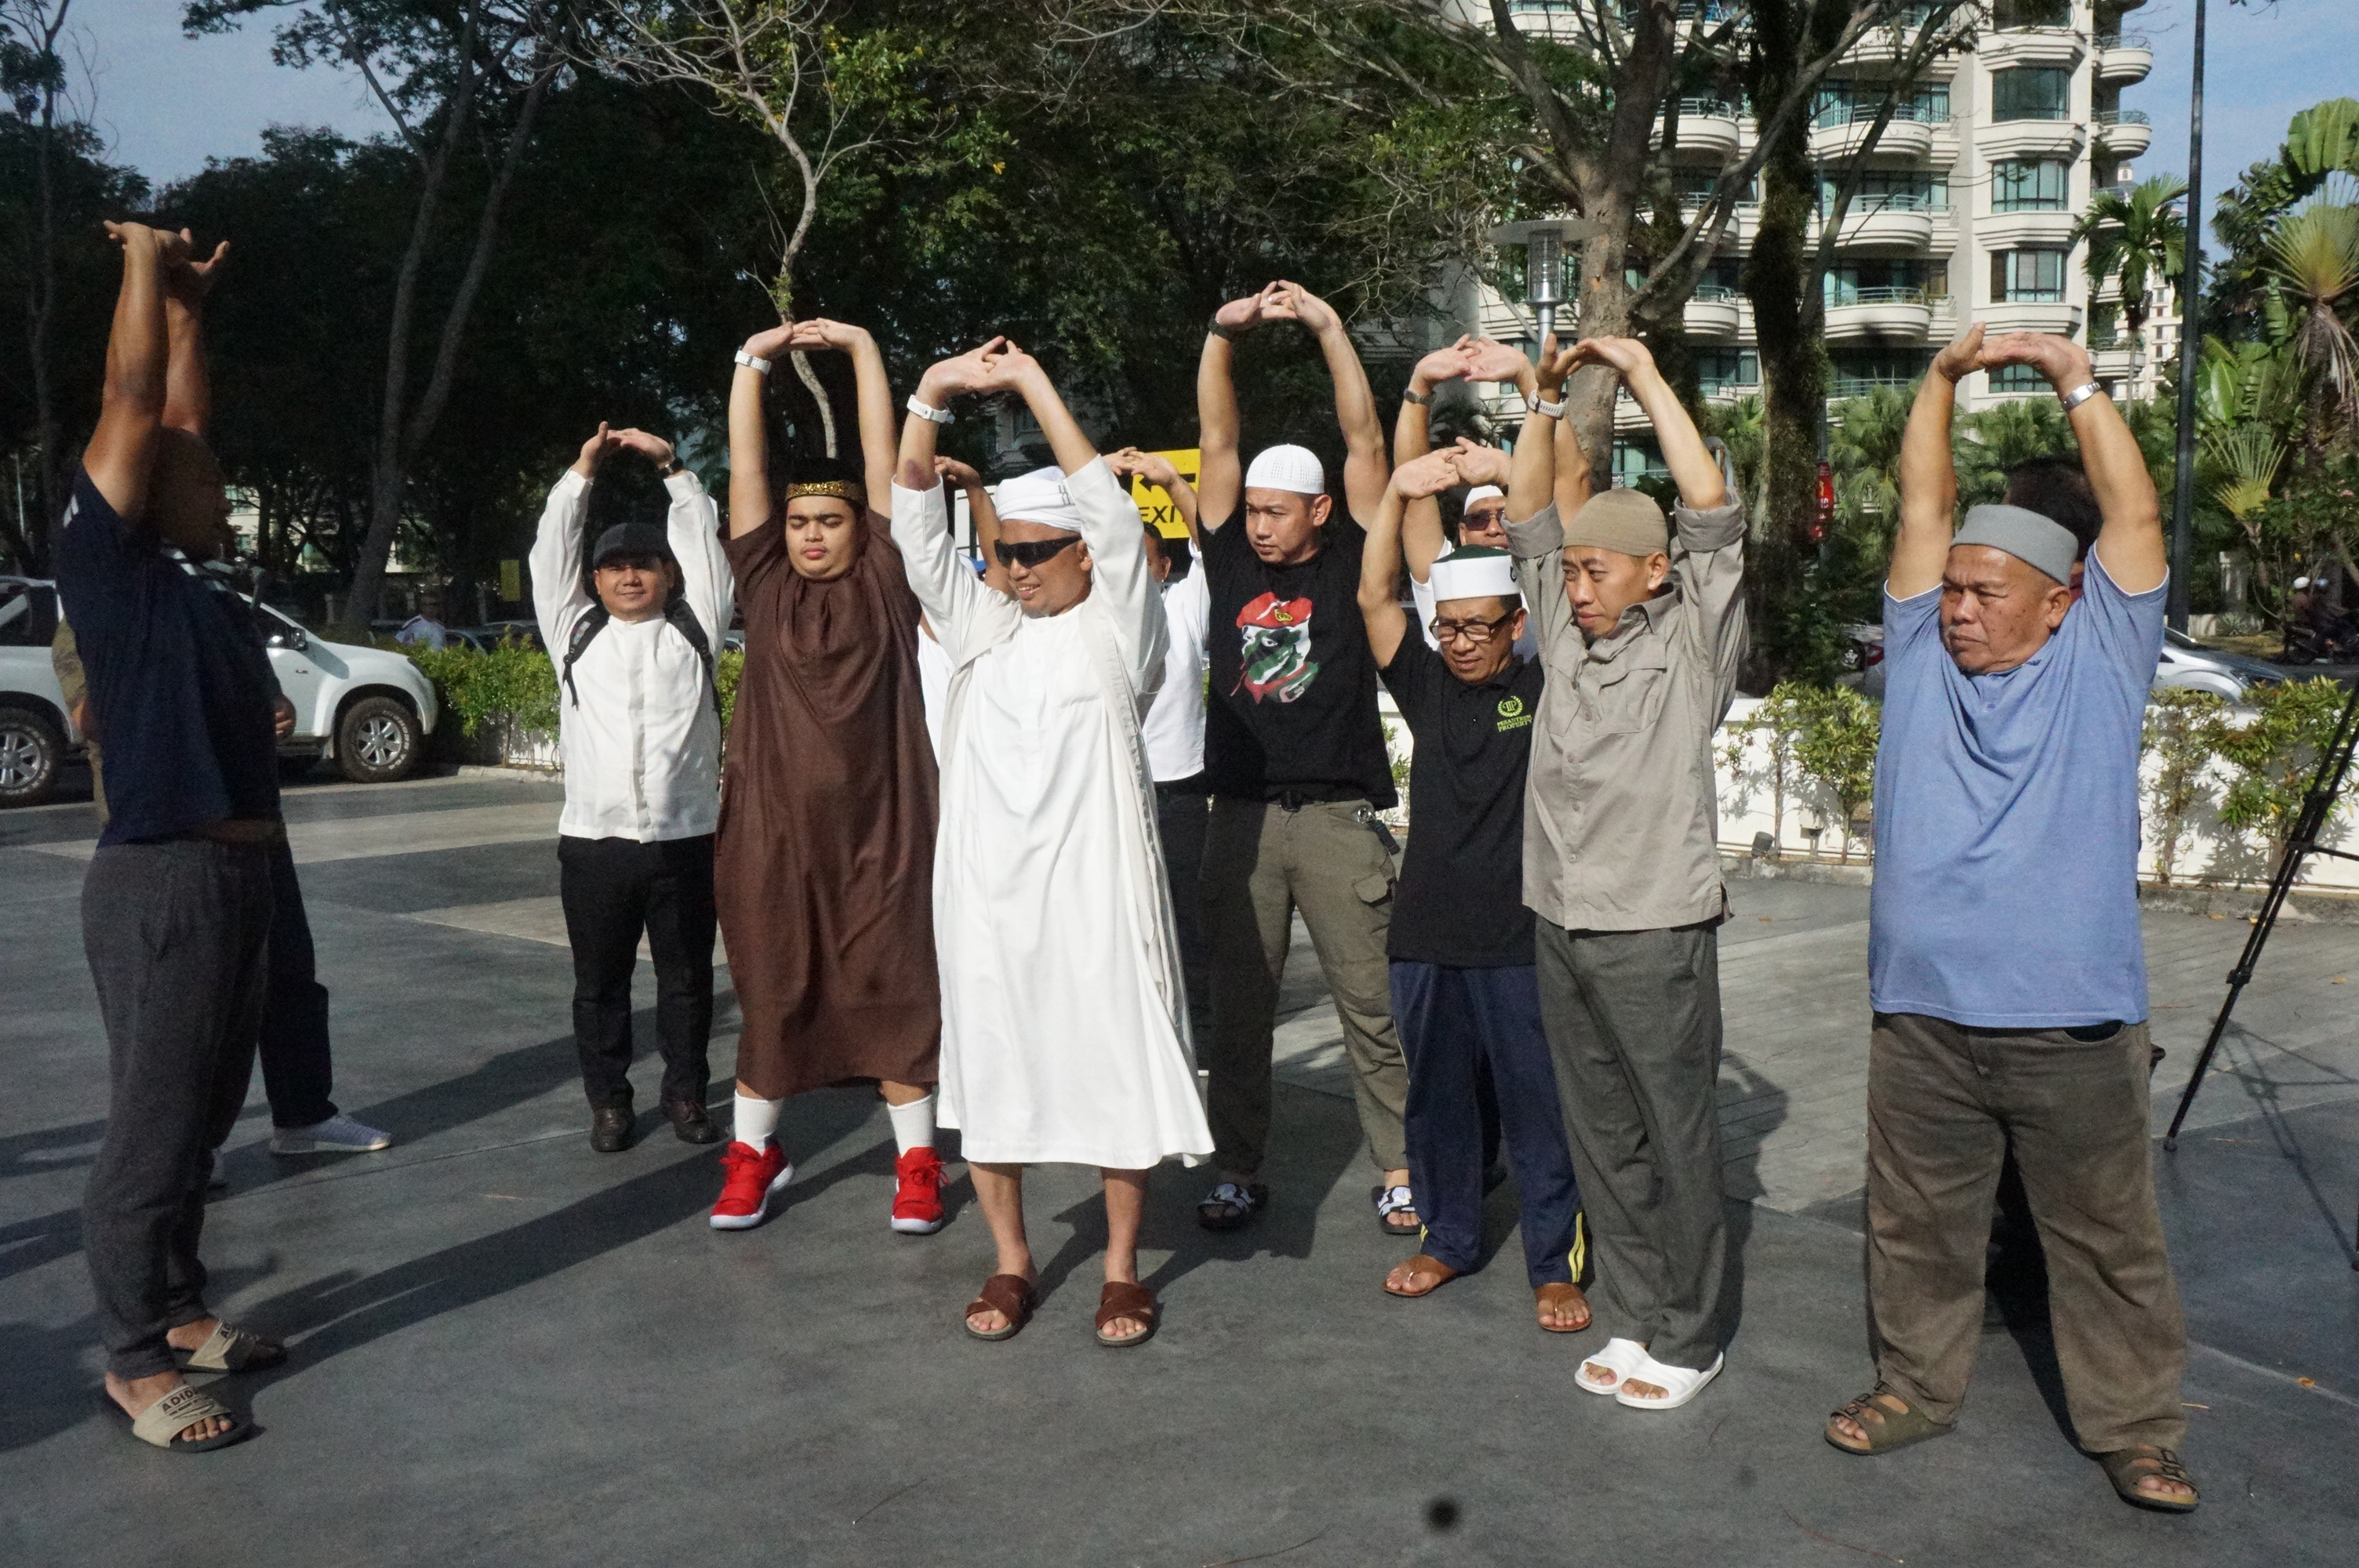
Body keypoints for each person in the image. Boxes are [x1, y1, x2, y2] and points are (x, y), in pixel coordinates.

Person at [1825, 326, 2198, 1514]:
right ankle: (1914, 1388)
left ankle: (2136, 1430)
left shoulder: (2101, 660)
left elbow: (2136, 524)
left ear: (2063, 599)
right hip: (1923, 1018)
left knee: (2104, 1245)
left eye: (1991, 593)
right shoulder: (1929, 659)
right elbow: (1923, 504)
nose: (1962, 610)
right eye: (1952, 591)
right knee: (1918, 1230)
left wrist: (2073, 379)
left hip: (2072, 1024)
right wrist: (1937, 380)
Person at [893, 337, 1213, 1347]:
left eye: (1034, 552)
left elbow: (1110, 510)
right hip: (986, 900)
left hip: (1097, 898)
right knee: (992, 1073)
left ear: (1084, 555)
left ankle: (1121, 1268)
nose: (1012, 568)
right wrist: (931, 394)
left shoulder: (1121, 631)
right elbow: (910, 522)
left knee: (1114, 1064)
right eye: (1003, 553)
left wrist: (1032, 384)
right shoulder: (983, 625)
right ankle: (1012, 1258)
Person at [59, 221, 282, 1452]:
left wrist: (191, 307)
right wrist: (142, 264)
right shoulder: (110, 563)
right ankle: (134, 1358)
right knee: (151, 1130)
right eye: (190, 470)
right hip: (163, 882)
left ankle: (185, 1310)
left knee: (202, 1117)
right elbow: (134, 401)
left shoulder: (190, 585)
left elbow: (178, 413)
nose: (216, 480)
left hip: (239, 873)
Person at [1502, 334, 1747, 1412]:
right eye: (1572, 574)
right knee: (1600, 1134)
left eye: (1597, 570)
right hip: (1558, 917)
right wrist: (1545, 404)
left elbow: (1711, 511)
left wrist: (1644, 378)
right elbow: (1526, 522)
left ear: (1656, 570)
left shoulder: (1693, 641)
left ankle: (1692, 1336)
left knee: (1675, 1134)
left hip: (1653, 927)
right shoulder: (1566, 629)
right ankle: (1644, 1316)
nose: (1577, 585)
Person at [1355, 366, 1591, 1335]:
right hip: (1426, 932)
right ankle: (1448, 1236)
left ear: (1518, 624)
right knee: (1438, 1103)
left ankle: (1551, 1258)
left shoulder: (1549, 681)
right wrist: (1403, 494)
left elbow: (1568, 534)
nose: (1456, 642)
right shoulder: (1429, 682)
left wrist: (1529, 442)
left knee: (1538, 1109)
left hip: (1518, 930)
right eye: (1445, 626)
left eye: (1475, 628)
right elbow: (1375, 596)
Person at [710, 318, 945, 1235]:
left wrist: (861, 353)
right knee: (772, 990)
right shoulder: (762, 579)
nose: (810, 535)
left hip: (885, 831)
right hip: (770, 833)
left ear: (861, 527)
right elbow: (746, 469)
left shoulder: (888, 574)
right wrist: (750, 361)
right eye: (800, 522)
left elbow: (887, 466)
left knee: (897, 990)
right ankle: (752, 1155)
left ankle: (916, 1163)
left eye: (829, 521)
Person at [1193, 280, 1415, 1237]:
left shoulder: (1351, 556)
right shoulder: (1232, 559)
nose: (1258, 523)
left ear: (1322, 511)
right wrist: (1218, 337)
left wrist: (1330, 325)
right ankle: (1238, 1167)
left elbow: (1367, 445)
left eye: (1278, 511)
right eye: (1251, 509)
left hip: (1334, 818)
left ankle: (1402, 1167)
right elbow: (1215, 444)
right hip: (1239, 817)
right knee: (1237, 1016)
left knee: (1371, 1007)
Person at [53, 619, 393, 1169]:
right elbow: (90, 718)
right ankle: (184, 1155)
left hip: (253, 824)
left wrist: (276, 708)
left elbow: (263, 696)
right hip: (169, 837)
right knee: (185, 1004)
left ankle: (303, 1114)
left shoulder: (216, 607)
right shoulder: (99, 615)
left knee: (289, 974)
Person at [529, 421, 732, 1154]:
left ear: (668, 574)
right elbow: (549, 552)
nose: (631, 576)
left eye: (646, 564)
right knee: (599, 988)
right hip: (594, 844)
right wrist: (581, 473)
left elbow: (708, 548)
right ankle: (609, 1103)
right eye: (615, 567)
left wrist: (675, 471)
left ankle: (684, 1094)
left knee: (685, 986)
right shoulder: (574, 632)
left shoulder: (698, 626)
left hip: (685, 839)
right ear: (595, 581)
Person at [1107, 445, 1214, 1046]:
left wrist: (1171, 480)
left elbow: (1211, 549)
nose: (1129, 573)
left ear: (1164, 568)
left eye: (1140, 560)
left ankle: (1196, 1028)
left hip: (1176, 787)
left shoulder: (1186, 605)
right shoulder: (1091, 613)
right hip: (1108, 785)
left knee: (1186, 919)